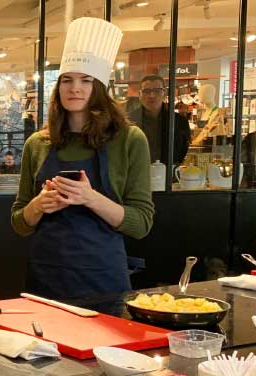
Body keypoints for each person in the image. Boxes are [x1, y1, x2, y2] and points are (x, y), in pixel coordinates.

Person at [11, 18, 153, 302]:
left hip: (103, 280)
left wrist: (89, 198)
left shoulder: (129, 139)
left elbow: (141, 223)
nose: (75, 88)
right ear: (58, 87)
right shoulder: (37, 144)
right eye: (67, 80)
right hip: (46, 278)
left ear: (99, 87)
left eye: (85, 80)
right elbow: (19, 222)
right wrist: (38, 205)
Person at [127, 74, 191, 164]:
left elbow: (183, 151)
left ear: (164, 93)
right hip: (138, 173)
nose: (152, 95)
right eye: (147, 91)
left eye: (157, 91)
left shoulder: (179, 121)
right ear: (140, 94)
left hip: (169, 174)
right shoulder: (129, 121)